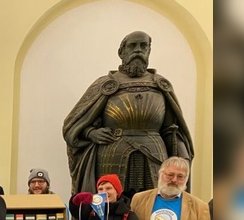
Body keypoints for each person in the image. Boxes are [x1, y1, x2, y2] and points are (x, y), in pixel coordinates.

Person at [63, 30, 194, 197]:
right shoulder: (105, 84)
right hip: (111, 154)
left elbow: (170, 129)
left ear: (149, 51)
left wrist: (181, 158)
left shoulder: (161, 85)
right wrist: (90, 133)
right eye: (133, 46)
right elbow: (72, 123)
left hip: (154, 154)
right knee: (110, 204)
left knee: (153, 203)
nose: (138, 50)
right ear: (121, 52)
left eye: (143, 46)